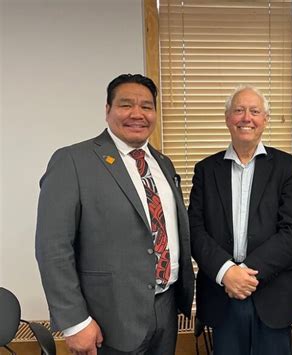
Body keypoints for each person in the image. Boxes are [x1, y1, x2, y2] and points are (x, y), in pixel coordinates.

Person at [35, 73, 194, 355]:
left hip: (166, 310)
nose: (137, 114)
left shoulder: (163, 164)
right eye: (125, 105)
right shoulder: (73, 161)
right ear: (107, 110)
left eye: (146, 106)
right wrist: (74, 322)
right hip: (108, 319)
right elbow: (53, 248)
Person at [187, 85, 292, 355]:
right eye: (239, 110)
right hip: (222, 293)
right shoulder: (206, 170)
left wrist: (246, 273)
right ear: (227, 118)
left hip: (273, 294)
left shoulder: (287, 168)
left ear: (265, 119)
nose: (246, 118)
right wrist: (227, 272)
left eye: (255, 111)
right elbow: (194, 229)